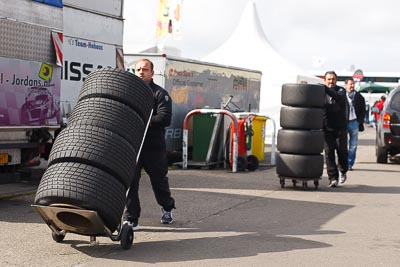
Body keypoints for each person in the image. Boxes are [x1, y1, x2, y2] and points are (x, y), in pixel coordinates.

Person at [123, 58, 176, 230]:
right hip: (133, 146)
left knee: (158, 181)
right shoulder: (128, 93)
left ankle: (167, 207)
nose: (141, 72)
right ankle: (131, 218)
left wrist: (141, 119)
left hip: (154, 148)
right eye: (138, 69)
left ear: (152, 73)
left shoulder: (160, 94)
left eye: (145, 69)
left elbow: (164, 118)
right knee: (130, 182)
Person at [323, 71, 349, 187]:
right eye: (328, 79)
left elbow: (339, 98)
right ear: (325, 80)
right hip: (327, 128)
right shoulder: (321, 93)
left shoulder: (341, 91)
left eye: (333, 79)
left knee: (342, 152)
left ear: (336, 80)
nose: (331, 81)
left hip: (340, 129)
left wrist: (326, 89)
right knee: (329, 153)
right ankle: (333, 178)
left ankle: (343, 170)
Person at [345, 78, 366, 172]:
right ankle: (342, 163)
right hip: (343, 122)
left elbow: (363, 110)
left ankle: (349, 164)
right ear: (346, 85)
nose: (352, 86)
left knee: (353, 145)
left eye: (353, 84)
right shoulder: (341, 96)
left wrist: (359, 121)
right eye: (350, 84)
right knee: (342, 144)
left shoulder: (359, 97)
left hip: (354, 122)